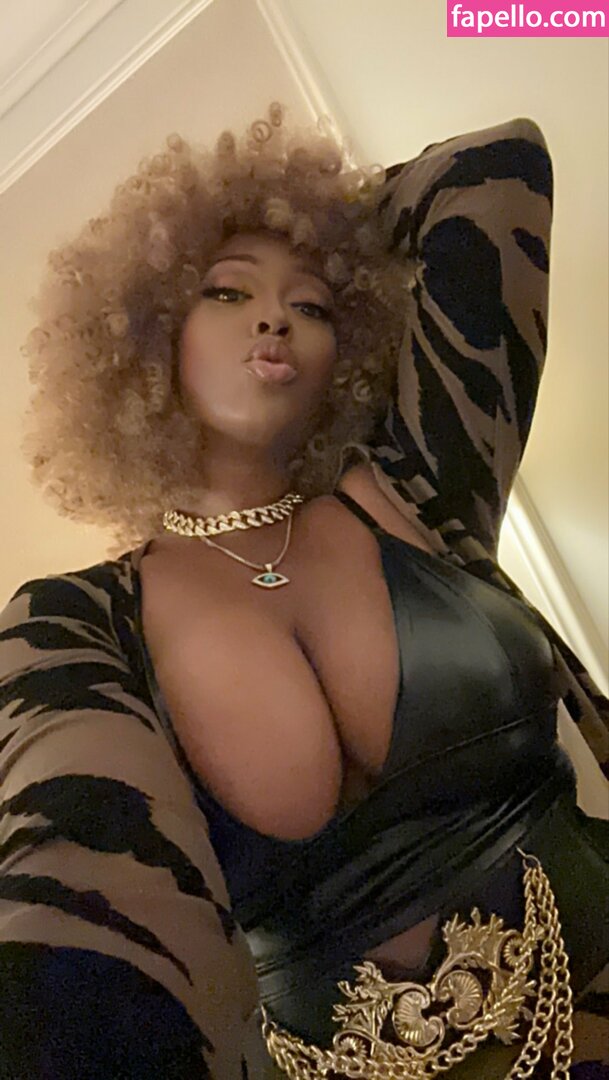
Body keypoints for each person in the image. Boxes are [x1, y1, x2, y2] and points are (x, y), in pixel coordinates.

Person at [0, 102, 607, 1079]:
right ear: (148, 331)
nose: (274, 317)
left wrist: (323, 224)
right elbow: (70, 899)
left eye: (315, 306)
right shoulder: (73, 623)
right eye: (226, 291)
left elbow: (500, 165)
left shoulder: (413, 488)